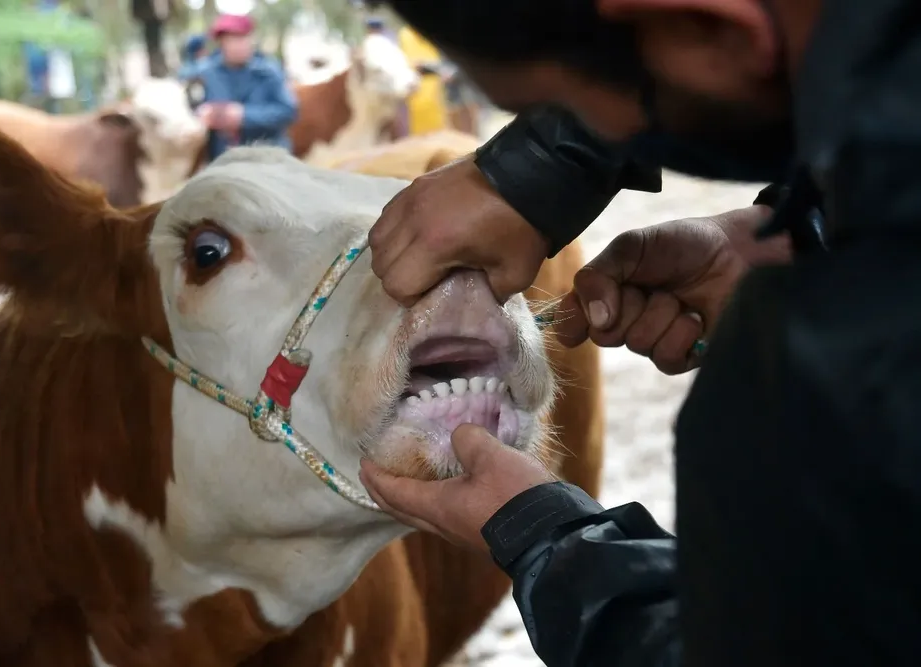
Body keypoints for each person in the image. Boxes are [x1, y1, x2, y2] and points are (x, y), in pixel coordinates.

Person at [356, 1, 921, 665]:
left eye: (567, 109)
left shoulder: (834, 386)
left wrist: (549, 539)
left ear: (707, 26)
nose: (597, 140)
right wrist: (804, 236)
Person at [188, 14, 299, 161]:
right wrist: (203, 115)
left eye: (242, 38)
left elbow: (288, 111)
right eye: (231, 40)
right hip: (223, 160)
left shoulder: (269, 72)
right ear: (221, 43)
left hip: (268, 158)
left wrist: (244, 115)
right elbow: (190, 109)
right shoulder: (205, 74)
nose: (237, 45)